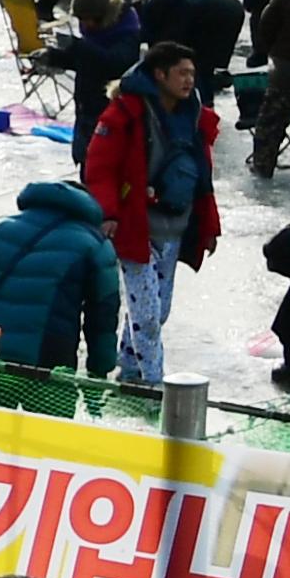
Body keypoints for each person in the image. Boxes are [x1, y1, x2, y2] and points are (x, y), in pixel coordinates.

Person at [82, 39, 221, 384]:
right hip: (135, 227)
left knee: (160, 311)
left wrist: (210, 226)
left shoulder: (193, 115)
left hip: (175, 227)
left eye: (193, 74)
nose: (189, 81)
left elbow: (203, 176)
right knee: (146, 312)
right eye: (182, 73)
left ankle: (129, 371)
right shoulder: (125, 112)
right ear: (160, 74)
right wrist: (108, 213)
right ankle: (155, 385)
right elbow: (99, 167)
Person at [0, 181, 122, 412]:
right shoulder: (94, 246)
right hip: (49, 368)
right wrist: (97, 374)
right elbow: (102, 318)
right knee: (47, 443)